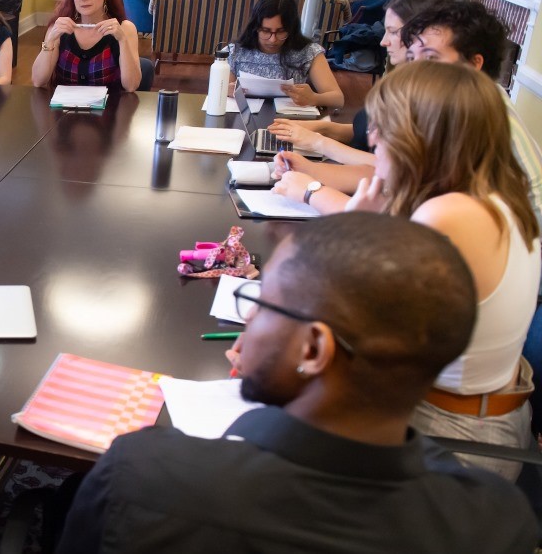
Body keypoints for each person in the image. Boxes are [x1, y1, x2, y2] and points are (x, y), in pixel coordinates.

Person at [56, 213, 536, 553]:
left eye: (263, 303)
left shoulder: (143, 474)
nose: (249, 324)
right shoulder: (496, 522)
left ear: (312, 350)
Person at [281, 62, 540, 479]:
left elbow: (356, 331)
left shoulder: (450, 214)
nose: (374, 139)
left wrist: (356, 236)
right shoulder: (493, 196)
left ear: (423, 138)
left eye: (386, 127)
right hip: (485, 420)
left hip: (451, 438)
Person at [274, 0, 542, 224]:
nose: (416, 70)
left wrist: (312, 190)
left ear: (473, 64)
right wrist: (312, 171)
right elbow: (393, 172)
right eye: (414, 58)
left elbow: (411, 227)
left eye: (431, 58)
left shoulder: (481, 119)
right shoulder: (439, 111)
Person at [266, 0, 451, 159]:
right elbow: (366, 132)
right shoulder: (401, 83)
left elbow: (384, 167)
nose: (383, 42)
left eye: (392, 32)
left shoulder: (432, 100)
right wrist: (318, 128)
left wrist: (318, 143)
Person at [32, 0, 144, 93]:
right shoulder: (60, 28)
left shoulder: (125, 28)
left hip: (109, 111)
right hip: (64, 111)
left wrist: (122, 41)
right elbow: (38, 81)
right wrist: (50, 40)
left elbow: (131, 86)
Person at [229, 0, 344, 108]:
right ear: (255, 27)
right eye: (265, 31)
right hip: (244, 120)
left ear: (291, 29)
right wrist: (225, 91)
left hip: (291, 120)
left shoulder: (309, 52)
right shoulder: (236, 52)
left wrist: (314, 98)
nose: (272, 40)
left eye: (281, 31)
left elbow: (338, 99)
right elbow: (221, 91)